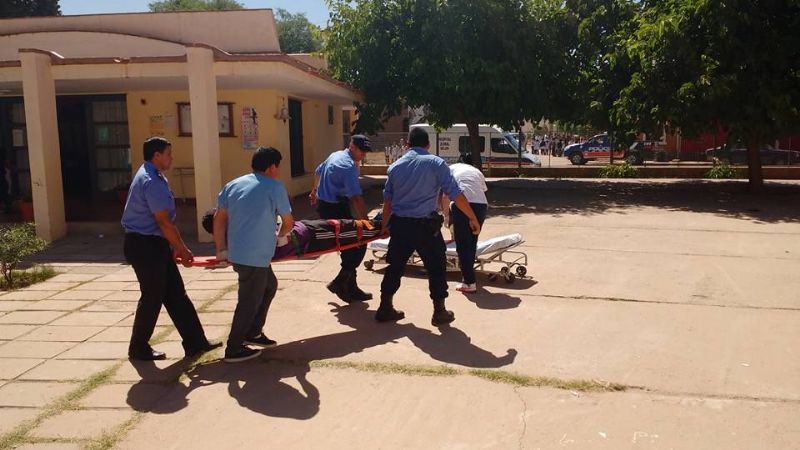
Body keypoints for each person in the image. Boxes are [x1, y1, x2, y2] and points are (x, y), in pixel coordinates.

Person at [121, 137, 220, 361]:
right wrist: (182, 250)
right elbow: (164, 221)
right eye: (168, 154)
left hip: (153, 243)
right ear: (156, 155)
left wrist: (171, 247)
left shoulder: (152, 174)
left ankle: (196, 342)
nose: (171, 158)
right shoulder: (151, 180)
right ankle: (138, 347)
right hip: (144, 245)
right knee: (152, 297)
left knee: (176, 294)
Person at [378, 127, 481, 326]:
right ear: (428, 144)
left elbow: (388, 202)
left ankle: (385, 307)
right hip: (426, 227)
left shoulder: (396, 166)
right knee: (436, 268)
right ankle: (439, 311)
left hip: (400, 225)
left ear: (407, 145)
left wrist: (384, 226)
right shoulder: (436, 163)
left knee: (395, 266)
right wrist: (472, 217)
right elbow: (455, 194)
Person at [214, 147, 294, 363]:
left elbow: (219, 219)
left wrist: (221, 249)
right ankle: (234, 347)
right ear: (272, 167)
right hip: (256, 256)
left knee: (269, 286)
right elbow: (288, 222)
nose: (278, 171)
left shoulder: (233, 184)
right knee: (249, 301)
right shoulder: (275, 187)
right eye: (278, 166)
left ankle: (254, 332)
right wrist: (281, 236)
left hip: (240, 253)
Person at [309, 134, 372, 303]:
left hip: (325, 205)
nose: (364, 155)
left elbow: (317, 171)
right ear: (352, 147)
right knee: (359, 242)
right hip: (336, 208)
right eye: (362, 151)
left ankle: (351, 287)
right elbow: (356, 197)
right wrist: (366, 222)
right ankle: (340, 282)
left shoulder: (335, 155)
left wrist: (314, 191)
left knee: (348, 245)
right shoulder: (348, 166)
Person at [441, 153, 488, 293]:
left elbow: (445, 195)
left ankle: (469, 282)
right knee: (471, 242)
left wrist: (446, 216)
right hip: (481, 205)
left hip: (461, 204)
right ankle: (469, 277)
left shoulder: (452, 168)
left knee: (462, 245)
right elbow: (482, 190)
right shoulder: (477, 171)